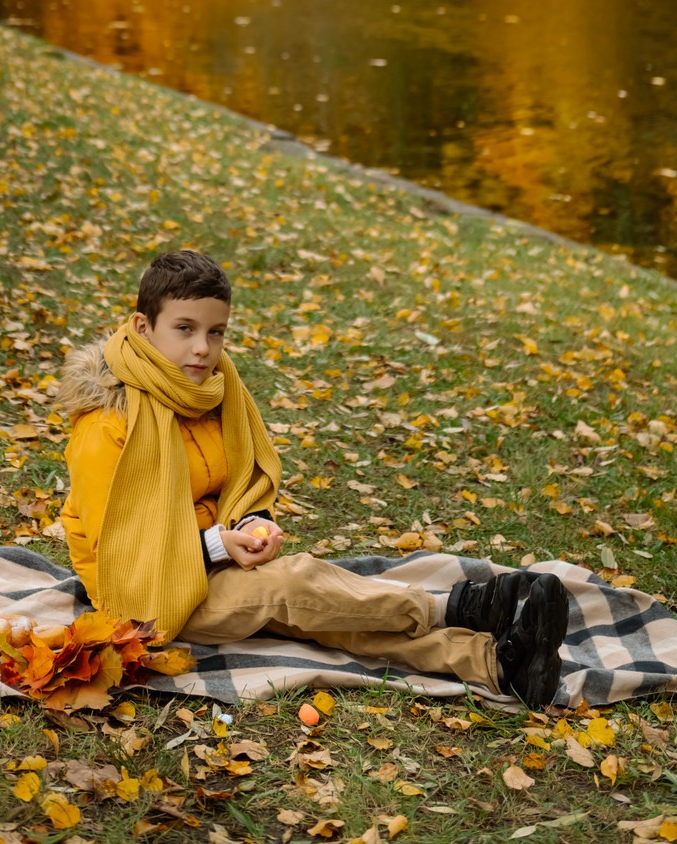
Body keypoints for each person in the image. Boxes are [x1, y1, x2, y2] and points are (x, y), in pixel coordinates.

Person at [57, 249, 568, 706]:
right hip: (145, 592)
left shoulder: (213, 391)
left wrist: (254, 521)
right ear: (144, 328)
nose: (202, 349)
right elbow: (121, 547)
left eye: (216, 332)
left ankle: (499, 665)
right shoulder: (108, 424)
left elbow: (242, 480)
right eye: (185, 328)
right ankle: (460, 606)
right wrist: (217, 545)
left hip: (212, 556)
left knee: (326, 616)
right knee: (292, 583)